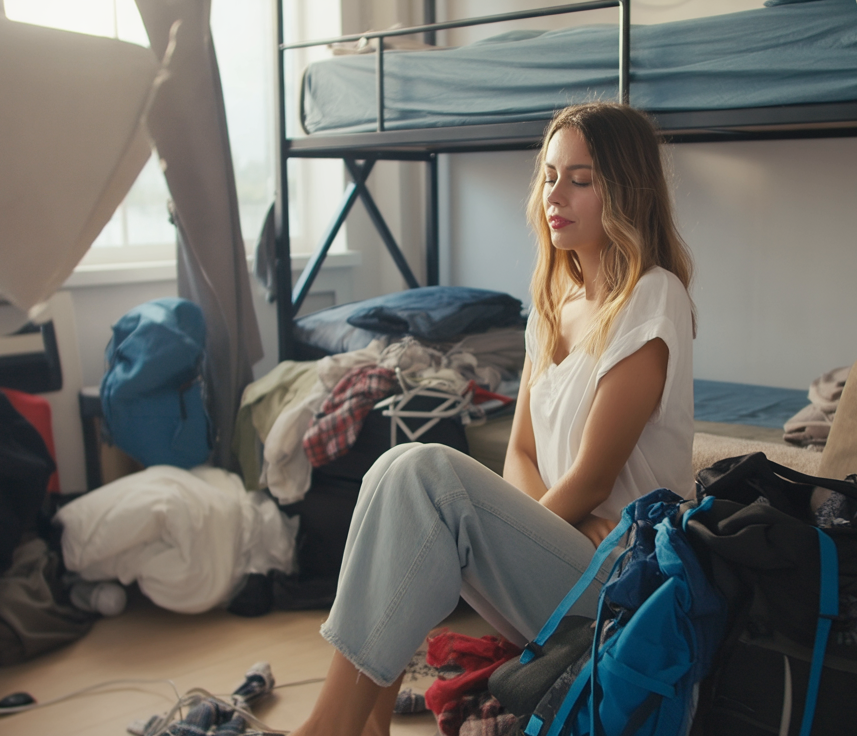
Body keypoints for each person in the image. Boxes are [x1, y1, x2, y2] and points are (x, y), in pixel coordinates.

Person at [290, 102, 696, 736]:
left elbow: (593, 479)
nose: (555, 195)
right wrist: (547, 528)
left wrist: (538, 526)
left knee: (425, 472)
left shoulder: (653, 296)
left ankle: (328, 730)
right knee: (392, 468)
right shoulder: (551, 305)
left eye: (580, 180)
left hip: (625, 586)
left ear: (625, 191)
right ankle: (363, 726)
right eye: (550, 176)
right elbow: (521, 455)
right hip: (570, 551)